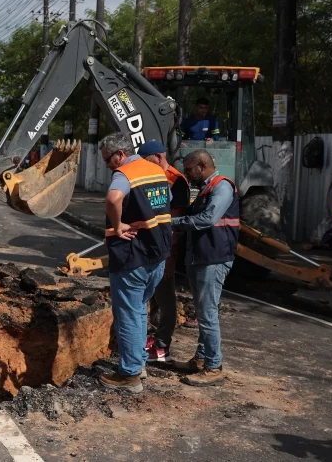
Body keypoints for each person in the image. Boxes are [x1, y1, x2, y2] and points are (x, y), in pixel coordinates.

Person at [97, 132, 172, 394]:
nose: (107, 165)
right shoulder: (155, 171)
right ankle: (138, 364)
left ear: (120, 154)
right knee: (139, 309)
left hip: (133, 257)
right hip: (158, 254)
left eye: (108, 159)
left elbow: (113, 199)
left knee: (128, 314)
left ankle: (129, 375)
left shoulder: (125, 174)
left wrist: (117, 225)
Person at [171, 149, 239, 387]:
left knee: (207, 314)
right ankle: (201, 359)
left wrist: (172, 223)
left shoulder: (222, 187)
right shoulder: (206, 189)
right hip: (200, 257)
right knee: (202, 313)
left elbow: (208, 219)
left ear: (201, 166)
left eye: (189, 170)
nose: (187, 175)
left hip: (213, 258)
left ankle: (213, 366)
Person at [138, 140, 191, 363]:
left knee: (165, 296)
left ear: (159, 157)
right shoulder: (153, 175)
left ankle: (162, 345)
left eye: (147, 161)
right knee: (152, 296)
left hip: (165, 248)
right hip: (149, 246)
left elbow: (173, 225)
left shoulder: (176, 181)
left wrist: (169, 257)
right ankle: (152, 338)